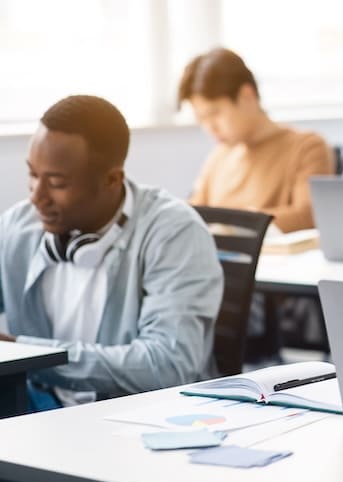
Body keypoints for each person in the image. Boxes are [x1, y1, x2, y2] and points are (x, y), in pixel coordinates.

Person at [0, 95, 223, 411]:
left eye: (57, 182)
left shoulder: (174, 233)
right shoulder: (18, 226)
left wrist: (26, 353)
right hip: (37, 410)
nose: (37, 197)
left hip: (135, 418)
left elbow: (167, 366)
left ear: (112, 179)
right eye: (33, 175)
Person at [179, 47, 334, 233]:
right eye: (201, 119)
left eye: (214, 113)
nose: (209, 127)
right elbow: (192, 214)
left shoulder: (307, 147)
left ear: (246, 96)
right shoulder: (219, 157)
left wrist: (232, 226)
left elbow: (308, 215)